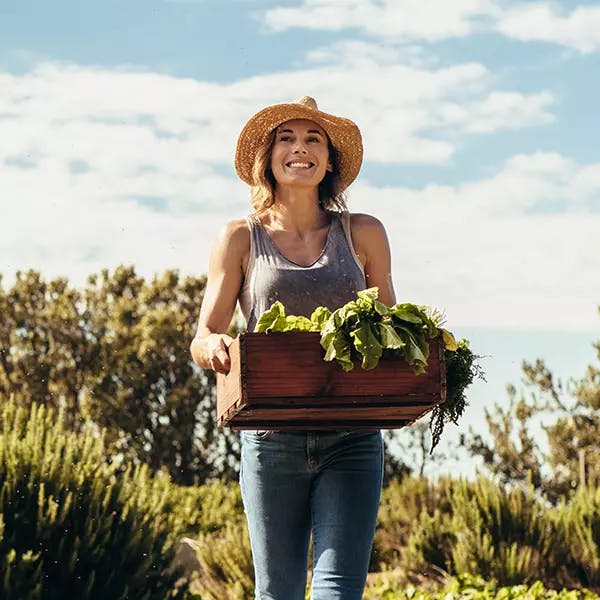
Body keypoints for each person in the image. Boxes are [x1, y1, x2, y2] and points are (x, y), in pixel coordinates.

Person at [190, 96, 396, 600]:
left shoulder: (364, 233)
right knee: (277, 592)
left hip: (352, 437)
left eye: (313, 140)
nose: (300, 149)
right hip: (269, 438)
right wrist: (215, 344)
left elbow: (392, 327)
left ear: (329, 161)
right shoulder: (240, 237)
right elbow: (203, 335)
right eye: (287, 138)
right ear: (269, 157)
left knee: (337, 591)